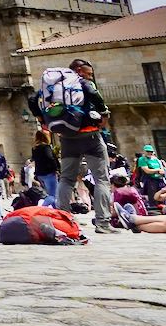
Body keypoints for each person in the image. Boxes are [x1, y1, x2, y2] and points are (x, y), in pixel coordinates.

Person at [36, 58, 120, 235]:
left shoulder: (55, 86)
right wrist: (104, 113)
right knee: (101, 179)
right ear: (80, 70)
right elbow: (93, 93)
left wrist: (41, 118)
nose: (90, 77)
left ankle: (63, 221)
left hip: (67, 138)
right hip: (90, 136)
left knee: (66, 179)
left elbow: (32, 99)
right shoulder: (82, 83)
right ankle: (103, 223)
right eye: (89, 74)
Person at [30, 129, 60, 205]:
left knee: (48, 194)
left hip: (40, 174)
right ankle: (43, 207)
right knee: (53, 195)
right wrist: (56, 169)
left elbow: (35, 160)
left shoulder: (34, 148)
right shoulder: (45, 147)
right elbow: (50, 158)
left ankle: (54, 210)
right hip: (48, 173)